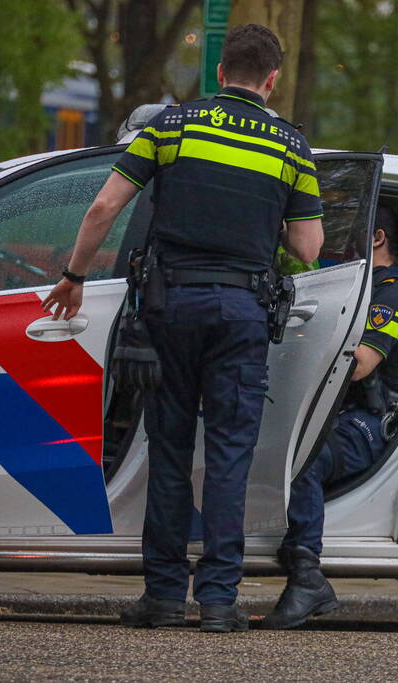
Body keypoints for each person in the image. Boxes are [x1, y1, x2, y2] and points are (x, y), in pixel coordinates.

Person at [41, 24, 324, 633]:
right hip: (242, 314)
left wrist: (74, 277)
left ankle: (164, 596)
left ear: (220, 72)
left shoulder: (171, 127)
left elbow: (103, 207)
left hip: (170, 309)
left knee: (168, 451)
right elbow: (307, 247)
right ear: (271, 82)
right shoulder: (292, 148)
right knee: (228, 459)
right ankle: (220, 603)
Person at [263, 206, 398, 629]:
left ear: (377, 238)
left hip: (372, 424)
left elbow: (360, 364)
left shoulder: (396, 292)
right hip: (350, 412)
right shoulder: (368, 285)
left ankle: (307, 578)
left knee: (303, 458)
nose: (338, 243)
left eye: (350, 234)